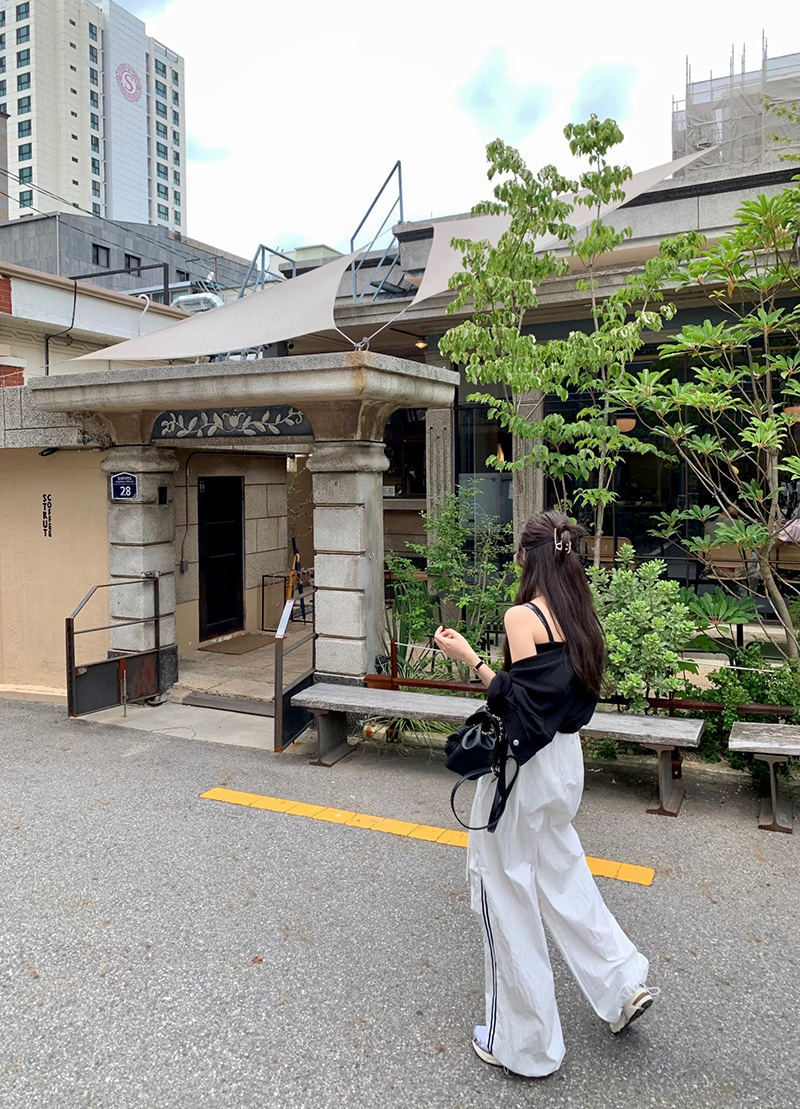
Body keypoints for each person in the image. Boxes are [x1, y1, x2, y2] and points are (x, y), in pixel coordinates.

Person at [433, 510, 653, 1078]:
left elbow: (522, 706)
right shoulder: (579, 615)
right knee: (561, 869)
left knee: (502, 887)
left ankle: (524, 1043)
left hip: (525, 768)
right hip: (565, 762)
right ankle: (622, 981)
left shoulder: (521, 616)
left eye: (517, 552)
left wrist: (471, 660)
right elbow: (554, 699)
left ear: (529, 557)